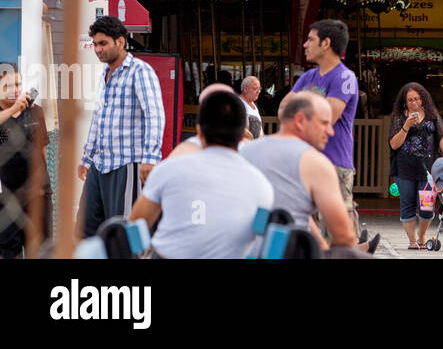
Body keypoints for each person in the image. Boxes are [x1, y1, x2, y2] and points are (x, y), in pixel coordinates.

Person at [129, 90, 274, 258]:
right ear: (243, 135)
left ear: (199, 132)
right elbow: (258, 242)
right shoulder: (262, 185)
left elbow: (136, 224)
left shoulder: (169, 169)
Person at [240, 92, 379, 254]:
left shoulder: (246, 151)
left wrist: (321, 245)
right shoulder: (316, 163)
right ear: (300, 121)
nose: (330, 131)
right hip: (290, 251)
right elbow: (343, 236)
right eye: (324, 123)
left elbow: (295, 208)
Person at [78, 15, 165, 237]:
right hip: (100, 164)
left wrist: (150, 157)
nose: (98, 50)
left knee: (122, 230)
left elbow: (154, 114)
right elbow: (99, 118)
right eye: (95, 44)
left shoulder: (140, 71)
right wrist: (87, 158)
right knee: (86, 228)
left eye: (103, 43)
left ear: (120, 41)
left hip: (127, 163)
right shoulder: (105, 74)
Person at [291, 20, 359, 238]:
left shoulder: (345, 77)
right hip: (305, 163)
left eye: (311, 39)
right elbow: (285, 109)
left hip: (335, 165)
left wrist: (301, 105)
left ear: (326, 43)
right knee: (306, 231)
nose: (305, 44)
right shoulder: (307, 77)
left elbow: (327, 116)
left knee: (337, 235)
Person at [387, 82, 443, 249]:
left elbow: (441, 135)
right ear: (405, 102)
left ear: (422, 99)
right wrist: (406, 125)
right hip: (404, 168)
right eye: (410, 100)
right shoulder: (399, 117)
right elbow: (393, 144)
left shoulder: (432, 115)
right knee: (407, 203)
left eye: (417, 98)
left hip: (428, 169)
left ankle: (422, 235)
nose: (414, 102)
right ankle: (412, 241)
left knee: (427, 206)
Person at [0, 65, 51, 258]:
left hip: (37, 194)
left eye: (18, 84)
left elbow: (43, 149)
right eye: (8, 86)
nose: (15, 89)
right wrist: (14, 108)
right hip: (6, 199)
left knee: (40, 251)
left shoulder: (35, 111)